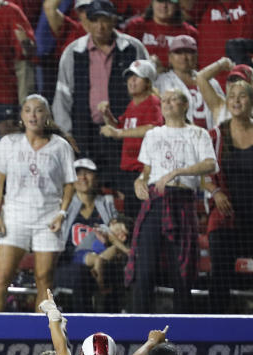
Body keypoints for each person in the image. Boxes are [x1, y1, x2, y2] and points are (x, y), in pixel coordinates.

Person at [126, 88, 217, 314]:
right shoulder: (153, 135)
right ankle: (137, 325)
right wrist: (139, 182)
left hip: (183, 201)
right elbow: (146, 171)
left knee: (183, 269)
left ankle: (182, 326)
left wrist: (177, 172)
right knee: (144, 268)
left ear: (185, 105)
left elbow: (210, 164)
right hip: (154, 202)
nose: (167, 103)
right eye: (164, 100)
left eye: (173, 99)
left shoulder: (198, 133)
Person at [0, 94, 76, 313]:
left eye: (38, 110)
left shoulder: (61, 146)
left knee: (44, 279)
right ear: (21, 115)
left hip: (48, 220)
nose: (32, 115)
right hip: (14, 218)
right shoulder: (8, 143)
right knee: (1, 278)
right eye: (27, 110)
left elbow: (70, 184)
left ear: (47, 115)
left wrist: (62, 213)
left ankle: (42, 337)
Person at [53, 0, 148, 188]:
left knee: (124, 189)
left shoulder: (133, 48)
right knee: (88, 190)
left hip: (125, 135)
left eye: (105, 19)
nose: (100, 26)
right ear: (86, 23)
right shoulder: (73, 52)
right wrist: (66, 133)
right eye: (94, 20)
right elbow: (62, 97)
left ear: (114, 21)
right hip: (85, 135)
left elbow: (149, 91)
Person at [205, 80, 253, 313]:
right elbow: (201, 173)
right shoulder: (216, 135)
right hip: (227, 218)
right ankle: (215, 324)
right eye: (231, 95)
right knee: (220, 274)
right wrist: (215, 191)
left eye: (242, 96)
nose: (235, 100)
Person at [57, 158, 128, 312]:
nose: (82, 177)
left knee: (116, 271)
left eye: (87, 173)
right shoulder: (63, 206)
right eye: (78, 173)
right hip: (69, 264)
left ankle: (112, 325)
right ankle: (85, 326)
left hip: (105, 261)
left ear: (97, 177)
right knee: (81, 274)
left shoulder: (107, 203)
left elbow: (117, 229)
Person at [99, 58, 163, 221]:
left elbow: (153, 128)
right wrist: (107, 115)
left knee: (141, 218)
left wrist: (118, 134)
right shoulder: (132, 104)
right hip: (129, 170)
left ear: (148, 82)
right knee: (131, 218)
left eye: (137, 77)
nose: (131, 81)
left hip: (143, 171)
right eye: (130, 77)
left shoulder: (153, 102)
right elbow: (120, 126)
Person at [155, 36, 220, 129]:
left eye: (189, 52)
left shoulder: (211, 82)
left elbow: (223, 112)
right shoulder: (161, 82)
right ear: (170, 57)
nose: (184, 57)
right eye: (178, 52)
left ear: (196, 56)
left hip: (211, 138)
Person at [121, 0, 198, 70]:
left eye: (170, 2)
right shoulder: (135, 26)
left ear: (177, 5)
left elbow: (196, 66)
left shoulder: (189, 33)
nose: (164, 6)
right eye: (160, 1)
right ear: (152, 3)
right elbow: (121, 59)